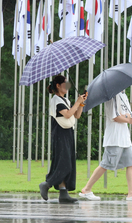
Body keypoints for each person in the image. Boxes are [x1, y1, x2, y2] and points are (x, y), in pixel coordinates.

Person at [79, 91, 132, 201]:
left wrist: (127, 117)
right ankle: (86, 189)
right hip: (115, 138)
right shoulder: (112, 96)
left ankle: (131, 193)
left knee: (131, 163)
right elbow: (114, 117)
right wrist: (129, 120)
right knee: (105, 164)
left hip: (125, 138)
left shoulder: (124, 95)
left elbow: (126, 114)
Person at [39, 75, 87, 203]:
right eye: (64, 84)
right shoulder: (56, 100)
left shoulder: (65, 100)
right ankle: (47, 184)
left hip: (68, 132)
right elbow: (67, 114)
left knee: (68, 161)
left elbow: (76, 115)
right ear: (58, 86)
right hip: (60, 133)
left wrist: (81, 103)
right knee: (64, 162)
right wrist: (77, 102)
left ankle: (63, 193)